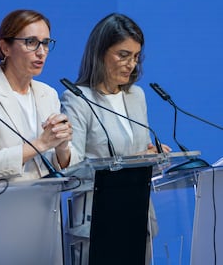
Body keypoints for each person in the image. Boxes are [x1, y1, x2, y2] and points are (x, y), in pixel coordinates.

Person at [0, 9, 80, 264]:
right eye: (31, 42)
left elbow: (66, 164)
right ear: (5, 47)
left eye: (46, 43)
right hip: (0, 219)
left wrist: (63, 147)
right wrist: (40, 144)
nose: (41, 52)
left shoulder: (48, 94)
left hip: (44, 217)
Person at [60, 13, 171, 265]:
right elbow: (73, 170)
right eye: (123, 55)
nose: (130, 64)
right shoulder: (77, 99)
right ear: (100, 53)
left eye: (135, 57)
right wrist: (135, 159)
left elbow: (138, 150)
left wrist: (152, 155)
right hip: (96, 224)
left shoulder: (137, 96)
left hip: (138, 217)